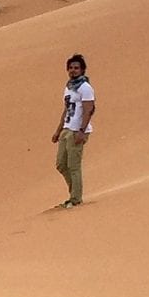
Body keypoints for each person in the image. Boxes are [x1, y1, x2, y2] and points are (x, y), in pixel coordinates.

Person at [51, 53, 95, 206]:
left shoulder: (85, 88)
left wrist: (81, 131)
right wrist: (58, 130)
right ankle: (73, 194)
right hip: (67, 129)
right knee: (61, 164)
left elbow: (89, 109)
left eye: (76, 68)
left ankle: (76, 198)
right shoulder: (69, 87)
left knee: (74, 166)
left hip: (77, 131)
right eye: (70, 68)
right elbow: (67, 109)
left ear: (83, 70)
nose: (73, 70)